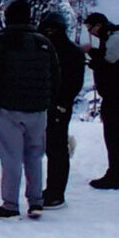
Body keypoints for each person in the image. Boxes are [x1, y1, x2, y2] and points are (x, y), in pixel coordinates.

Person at [0, 0, 56, 219]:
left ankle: (10, 204)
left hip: (8, 108)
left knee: (11, 157)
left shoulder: (2, 42)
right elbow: (55, 74)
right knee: (35, 155)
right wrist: (48, 102)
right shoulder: (43, 42)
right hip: (38, 109)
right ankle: (36, 201)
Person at [39, 12, 88, 207]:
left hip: (59, 106)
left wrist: (63, 102)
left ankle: (56, 192)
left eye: (54, 29)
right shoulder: (40, 48)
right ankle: (50, 190)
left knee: (57, 148)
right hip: (41, 104)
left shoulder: (71, 52)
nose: (50, 32)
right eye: (47, 29)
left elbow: (75, 82)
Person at [84, 12, 119, 189]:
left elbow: (109, 61)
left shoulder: (116, 39)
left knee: (114, 135)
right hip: (116, 94)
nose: (90, 33)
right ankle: (114, 172)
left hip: (117, 95)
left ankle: (115, 175)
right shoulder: (113, 38)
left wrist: (91, 54)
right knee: (113, 135)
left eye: (90, 28)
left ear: (98, 25)